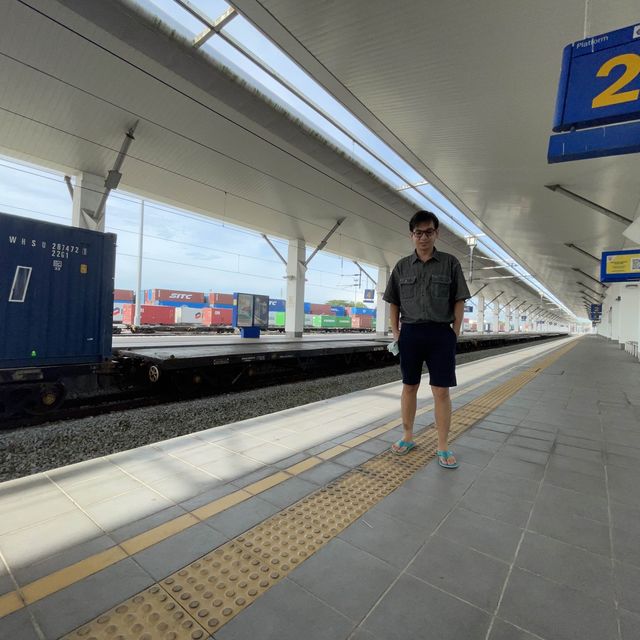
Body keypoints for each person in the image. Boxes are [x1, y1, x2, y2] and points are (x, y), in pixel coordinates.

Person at [383, 210, 470, 468]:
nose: (423, 237)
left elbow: (459, 299)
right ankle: (407, 436)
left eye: (428, 232)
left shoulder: (450, 263)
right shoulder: (402, 266)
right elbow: (393, 302)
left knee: (441, 391)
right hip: (410, 333)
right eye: (418, 233)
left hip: (441, 334)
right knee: (409, 386)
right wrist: (396, 333)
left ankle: (442, 446)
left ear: (436, 234)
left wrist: (454, 333)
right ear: (411, 235)